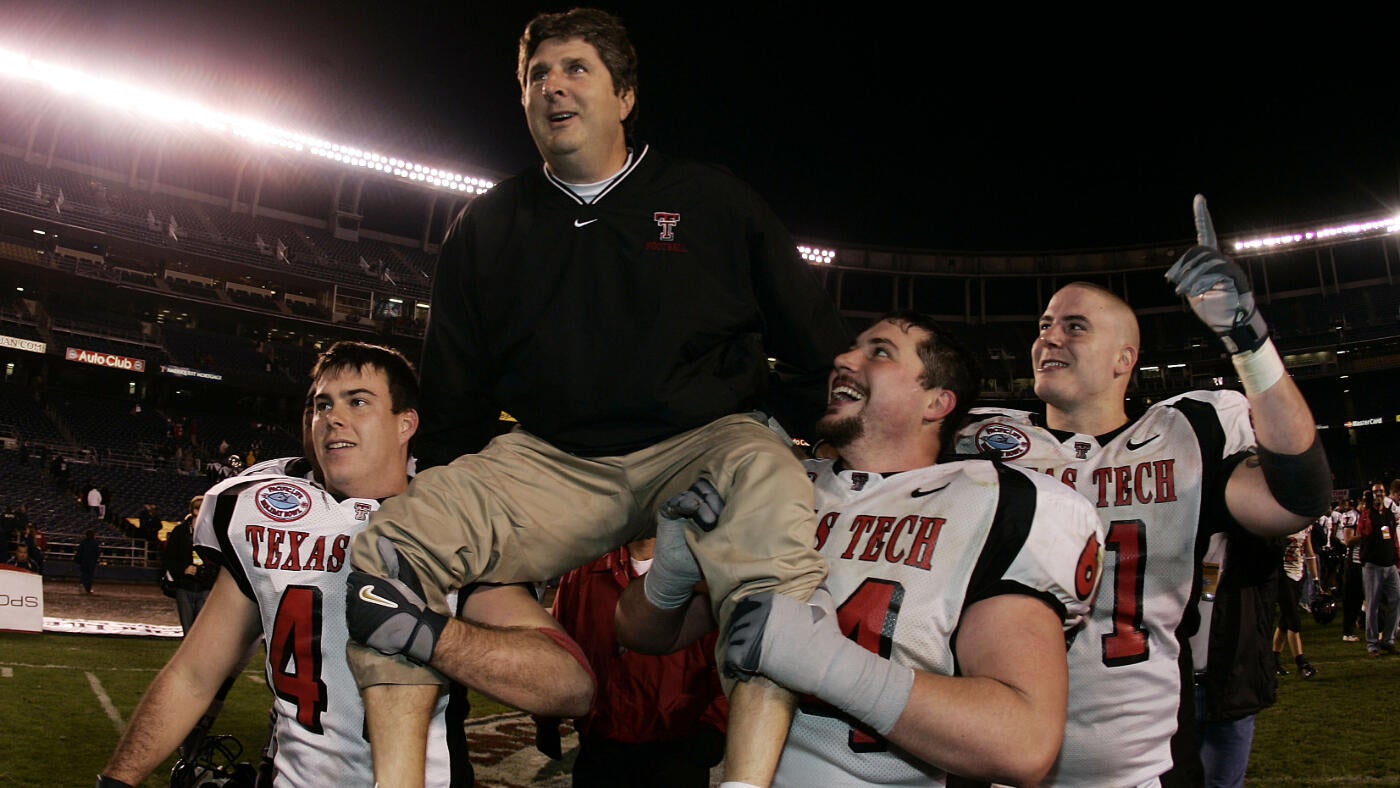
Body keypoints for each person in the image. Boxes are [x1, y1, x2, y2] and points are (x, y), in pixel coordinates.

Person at [342, 9, 849, 786]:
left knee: (769, 513)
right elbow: (455, 401)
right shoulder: (488, 225)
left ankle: (746, 781)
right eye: (536, 75)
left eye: (575, 68)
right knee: (392, 548)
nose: (553, 86)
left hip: (702, 442)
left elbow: (815, 344)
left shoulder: (711, 200)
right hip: (555, 459)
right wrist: (460, 518)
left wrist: (789, 424)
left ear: (625, 96)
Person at [956, 196, 1331, 786]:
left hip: (1142, 768)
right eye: (1045, 325)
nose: (1049, 338)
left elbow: (1298, 497)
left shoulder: (1182, 435)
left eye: (1074, 326)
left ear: (1123, 359)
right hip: (992, 759)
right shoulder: (980, 440)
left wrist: (1249, 342)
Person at [99, 342, 594, 787]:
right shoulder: (268, 514)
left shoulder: (449, 526)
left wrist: (427, 634)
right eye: (322, 404)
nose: (333, 417)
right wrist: (118, 781)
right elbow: (194, 675)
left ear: (406, 424)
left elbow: (568, 685)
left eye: (358, 401)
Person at [639, 311, 1103, 785]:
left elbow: (1023, 743)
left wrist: (825, 664)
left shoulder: (996, 501)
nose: (843, 360)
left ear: (936, 401)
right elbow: (645, 636)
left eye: (879, 352)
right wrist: (670, 577)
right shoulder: (782, 487)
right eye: (852, 348)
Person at [542, 538, 728, 787]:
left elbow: (731, 658)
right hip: (600, 747)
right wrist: (546, 718)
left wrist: (715, 725)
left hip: (678, 749)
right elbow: (559, 647)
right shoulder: (583, 571)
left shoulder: (705, 572)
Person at [1347, 488, 1400, 656]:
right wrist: (1369, 510)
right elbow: (1363, 532)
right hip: (1373, 566)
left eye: (1381, 491)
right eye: (1376, 492)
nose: (1379, 494)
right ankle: (1372, 644)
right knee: (1372, 605)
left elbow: (1393, 537)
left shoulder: (1388, 514)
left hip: (1390, 565)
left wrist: (1397, 557)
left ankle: (1388, 640)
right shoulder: (1367, 514)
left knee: (1396, 600)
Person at [1271, 526, 1317, 678]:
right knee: (1293, 620)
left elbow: (1309, 553)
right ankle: (1301, 662)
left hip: (1298, 575)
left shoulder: (1306, 526)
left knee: (1285, 621)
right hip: (1283, 575)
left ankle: (1273, 660)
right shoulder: (1284, 525)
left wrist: (1316, 578)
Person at [162, 495, 211, 635]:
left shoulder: (212, 533)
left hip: (205, 586)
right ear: (194, 510)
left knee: (200, 630)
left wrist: (203, 570)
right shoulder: (180, 532)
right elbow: (168, 559)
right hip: (184, 586)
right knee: (188, 630)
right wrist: (184, 569)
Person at [75, 529, 101, 594]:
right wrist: (96, 559)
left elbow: (79, 552)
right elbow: (97, 553)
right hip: (91, 562)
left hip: (84, 561)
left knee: (84, 574)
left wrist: (78, 559)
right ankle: (87, 588)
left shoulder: (83, 542)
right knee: (89, 576)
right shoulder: (95, 543)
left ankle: (82, 585)